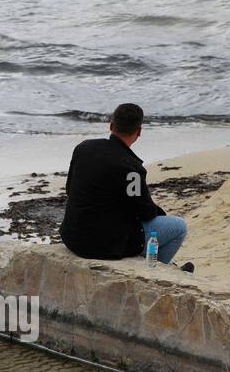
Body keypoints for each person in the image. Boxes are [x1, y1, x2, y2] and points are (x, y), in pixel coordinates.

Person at [59, 103, 192, 271]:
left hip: (72, 237)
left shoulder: (83, 149)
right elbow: (144, 212)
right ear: (139, 132)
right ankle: (157, 269)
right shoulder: (132, 169)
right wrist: (158, 213)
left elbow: (70, 189)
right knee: (179, 227)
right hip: (104, 246)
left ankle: (159, 265)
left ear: (111, 125)